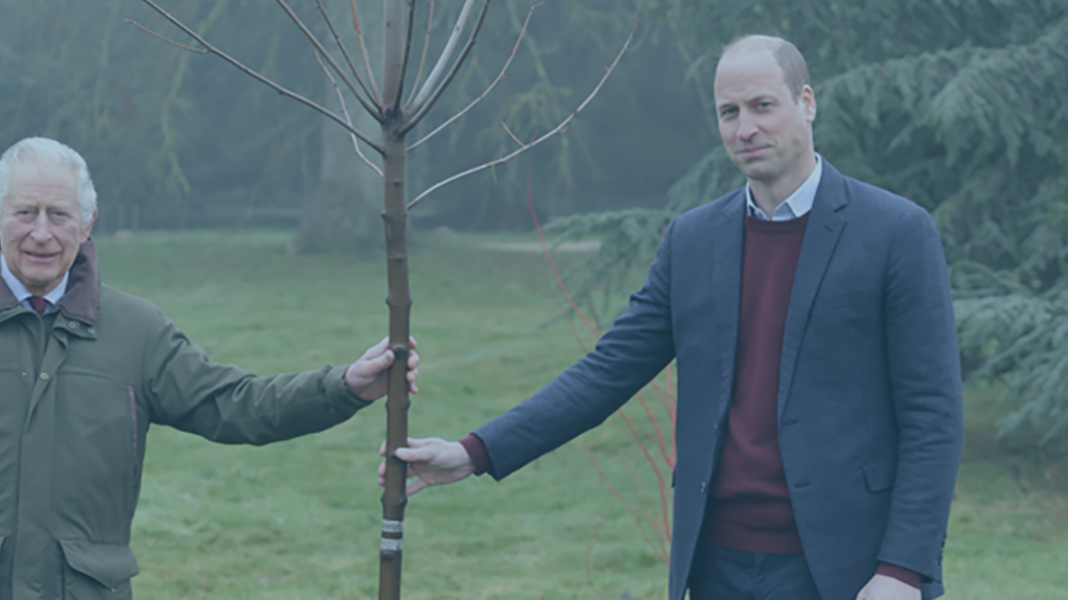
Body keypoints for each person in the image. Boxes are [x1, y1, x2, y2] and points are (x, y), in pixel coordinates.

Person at [385, 35, 962, 600]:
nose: (746, 129)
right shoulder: (693, 240)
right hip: (714, 565)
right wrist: (474, 451)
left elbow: (932, 416)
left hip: (849, 570)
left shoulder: (895, 233)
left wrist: (903, 571)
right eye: (729, 112)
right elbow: (607, 371)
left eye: (763, 105)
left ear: (806, 103)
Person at [0, 136, 419, 600]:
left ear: (87, 223)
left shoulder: (136, 330)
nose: (41, 232)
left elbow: (234, 404)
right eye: (25, 212)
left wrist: (343, 387)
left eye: (59, 214)